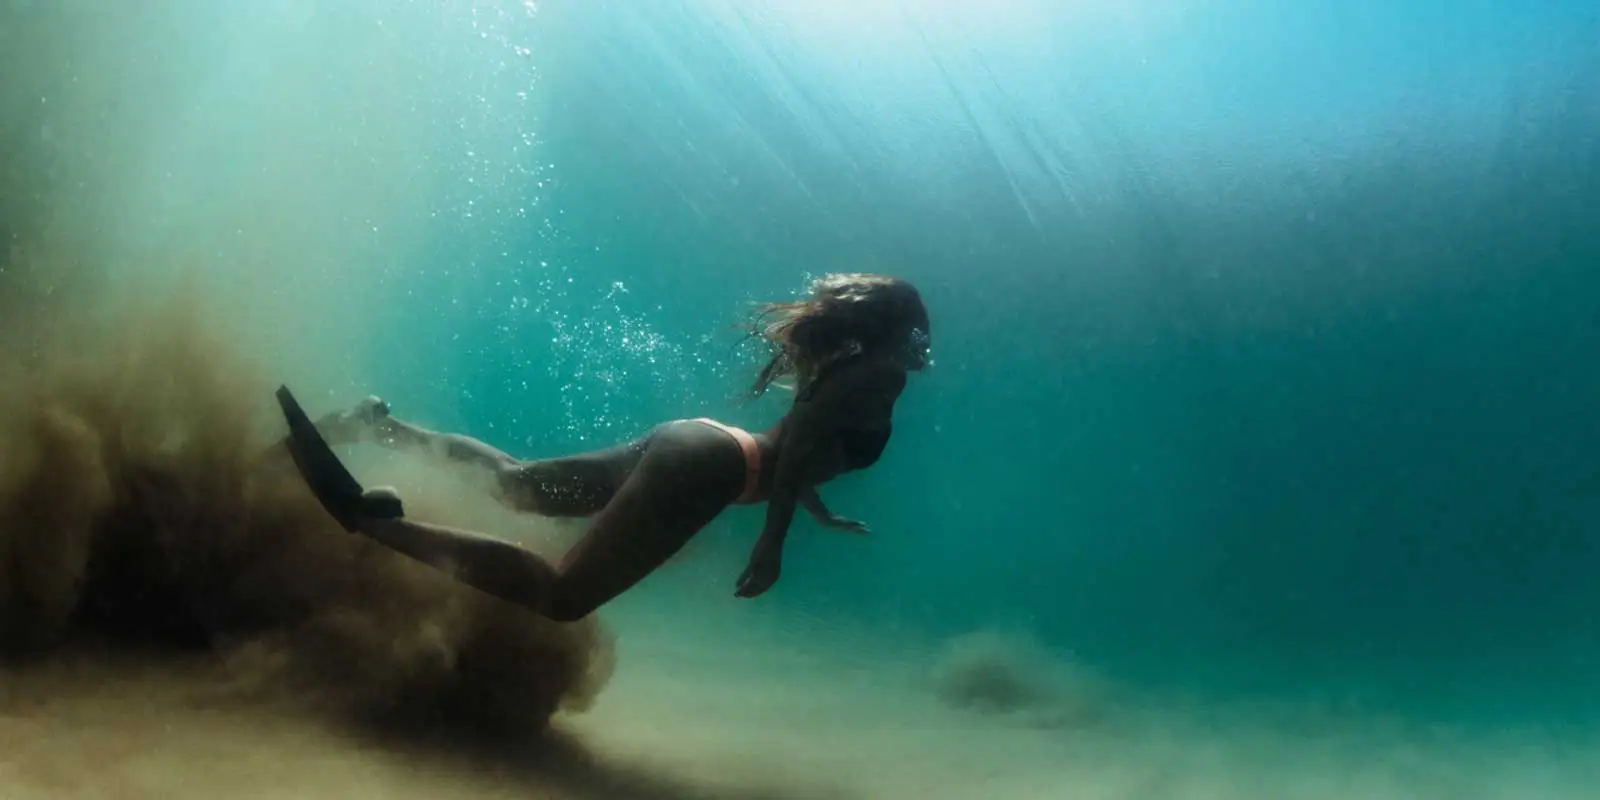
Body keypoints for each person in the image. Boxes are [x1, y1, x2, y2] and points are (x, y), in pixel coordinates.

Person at [274, 273, 931, 622]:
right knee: (564, 597)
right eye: (919, 328)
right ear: (897, 328)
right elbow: (800, 449)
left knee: (519, 484)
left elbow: (802, 445)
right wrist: (773, 542)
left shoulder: (846, 368)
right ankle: (368, 520)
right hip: (715, 469)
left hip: (701, 445)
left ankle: (378, 425)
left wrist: (816, 512)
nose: (924, 342)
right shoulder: (882, 374)